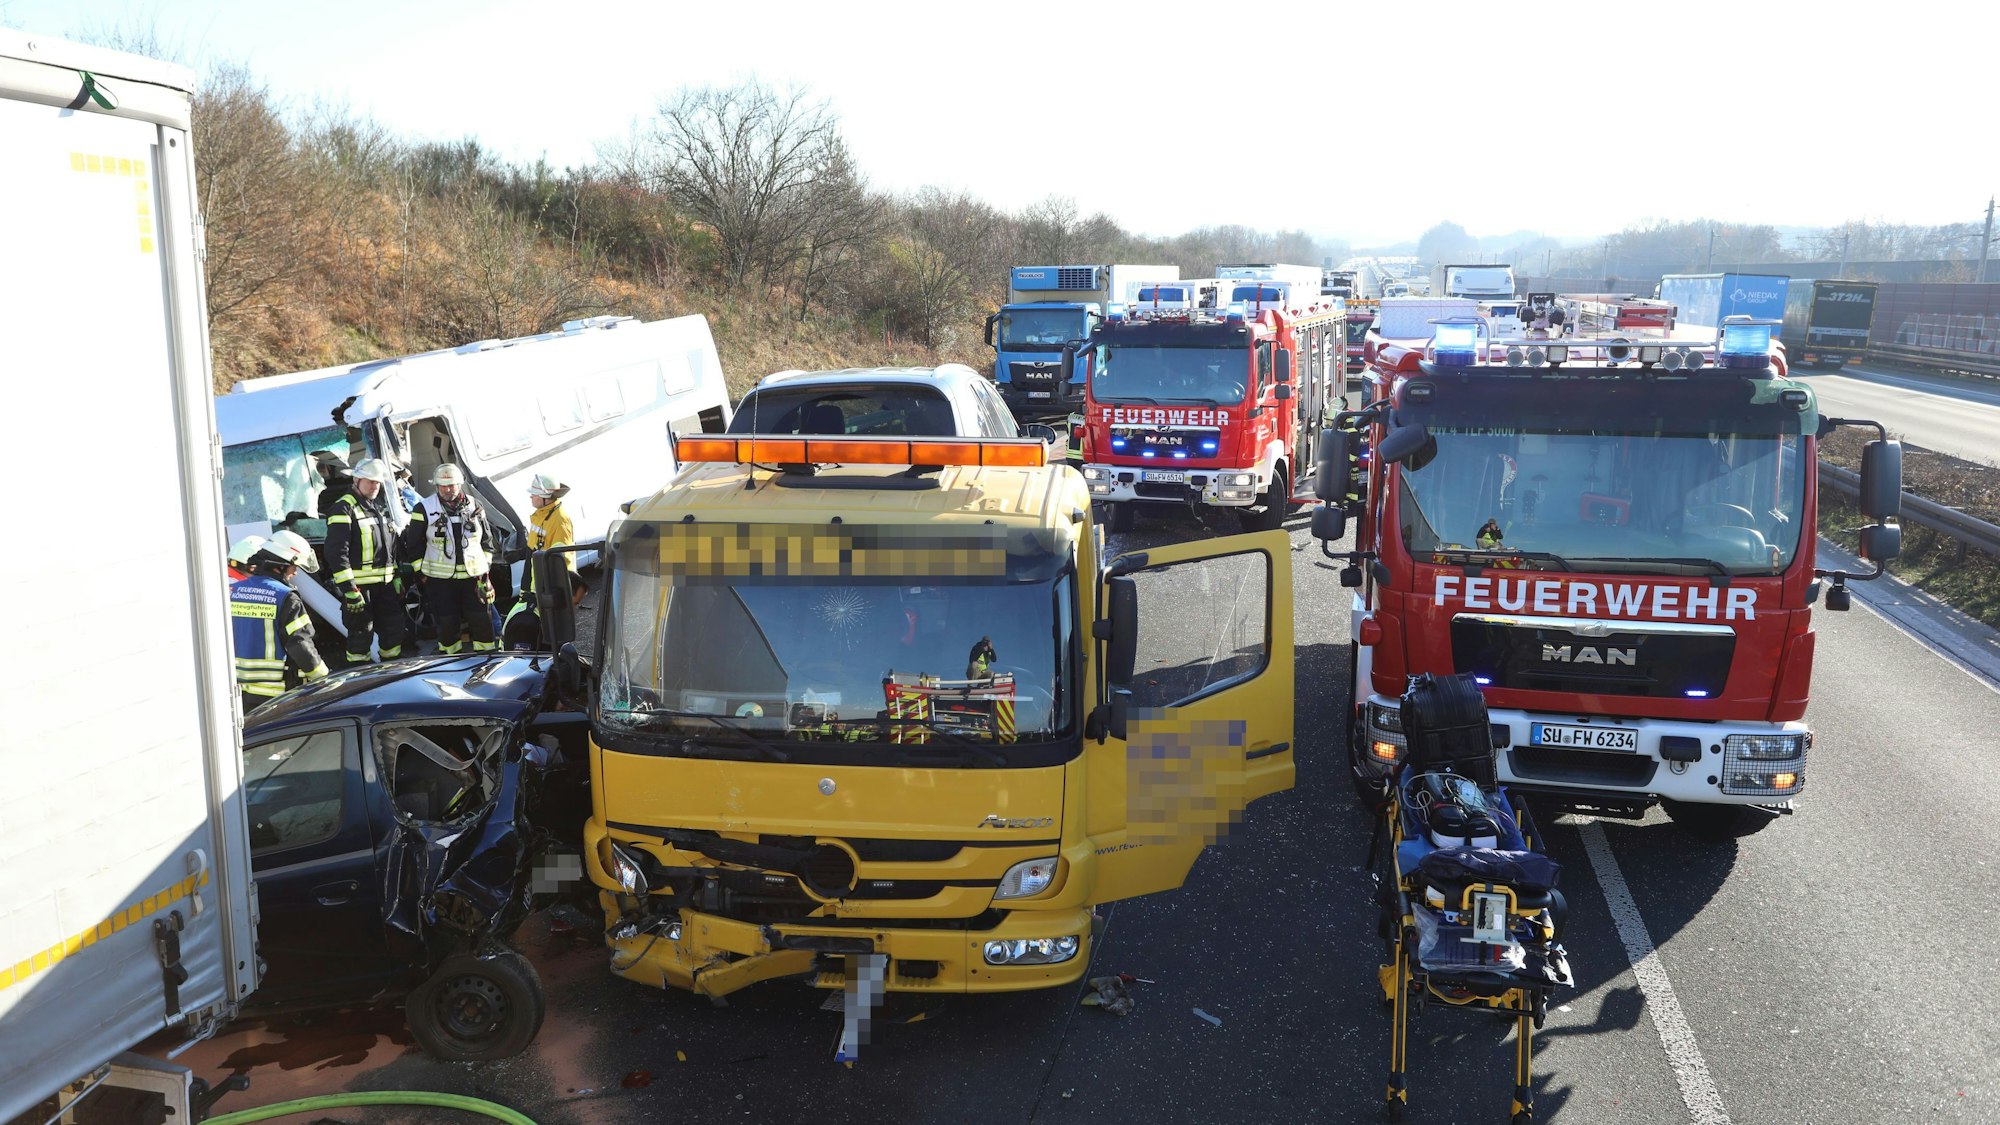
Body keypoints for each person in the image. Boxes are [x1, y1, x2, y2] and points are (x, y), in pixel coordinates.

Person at [401, 463, 499, 654]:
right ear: (436, 486)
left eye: (452, 485)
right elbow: (413, 545)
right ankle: (450, 661)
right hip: (440, 582)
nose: (448, 490)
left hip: (474, 579)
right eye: (443, 486)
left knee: (482, 623)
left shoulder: (475, 505)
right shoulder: (424, 508)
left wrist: (485, 570)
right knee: (447, 625)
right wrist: (422, 574)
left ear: (459, 484)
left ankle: (486, 659)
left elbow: (487, 541)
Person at [230, 530, 328, 715]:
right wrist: (323, 679)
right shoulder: (285, 597)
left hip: (237, 691)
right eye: (293, 565)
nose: (295, 571)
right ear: (280, 566)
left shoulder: (232, 592)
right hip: (275, 695)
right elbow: (300, 644)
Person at [325, 458, 408, 662]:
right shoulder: (344, 508)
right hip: (360, 589)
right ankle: (357, 680)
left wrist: (396, 576)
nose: (374, 486)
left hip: (385, 587)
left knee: (393, 632)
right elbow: (337, 552)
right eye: (370, 481)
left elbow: (390, 547)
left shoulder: (377, 507)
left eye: (377, 482)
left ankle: (391, 674)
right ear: (356, 479)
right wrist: (349, 589)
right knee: (360, 637)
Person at [502, 473, 579, 650]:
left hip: (549, 591)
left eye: (534, 494)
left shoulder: (560, 520)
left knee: (551, 637)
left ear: (545, 497)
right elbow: (533, 553)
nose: (531, 496)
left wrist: (548, 595)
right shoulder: (540, 515)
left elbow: (561, 563)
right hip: (535, 588)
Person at [311, 451, 353, 519]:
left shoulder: (348, 486)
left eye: (323, 468)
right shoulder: (314, 494)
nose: (322, 471)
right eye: (320, 468)